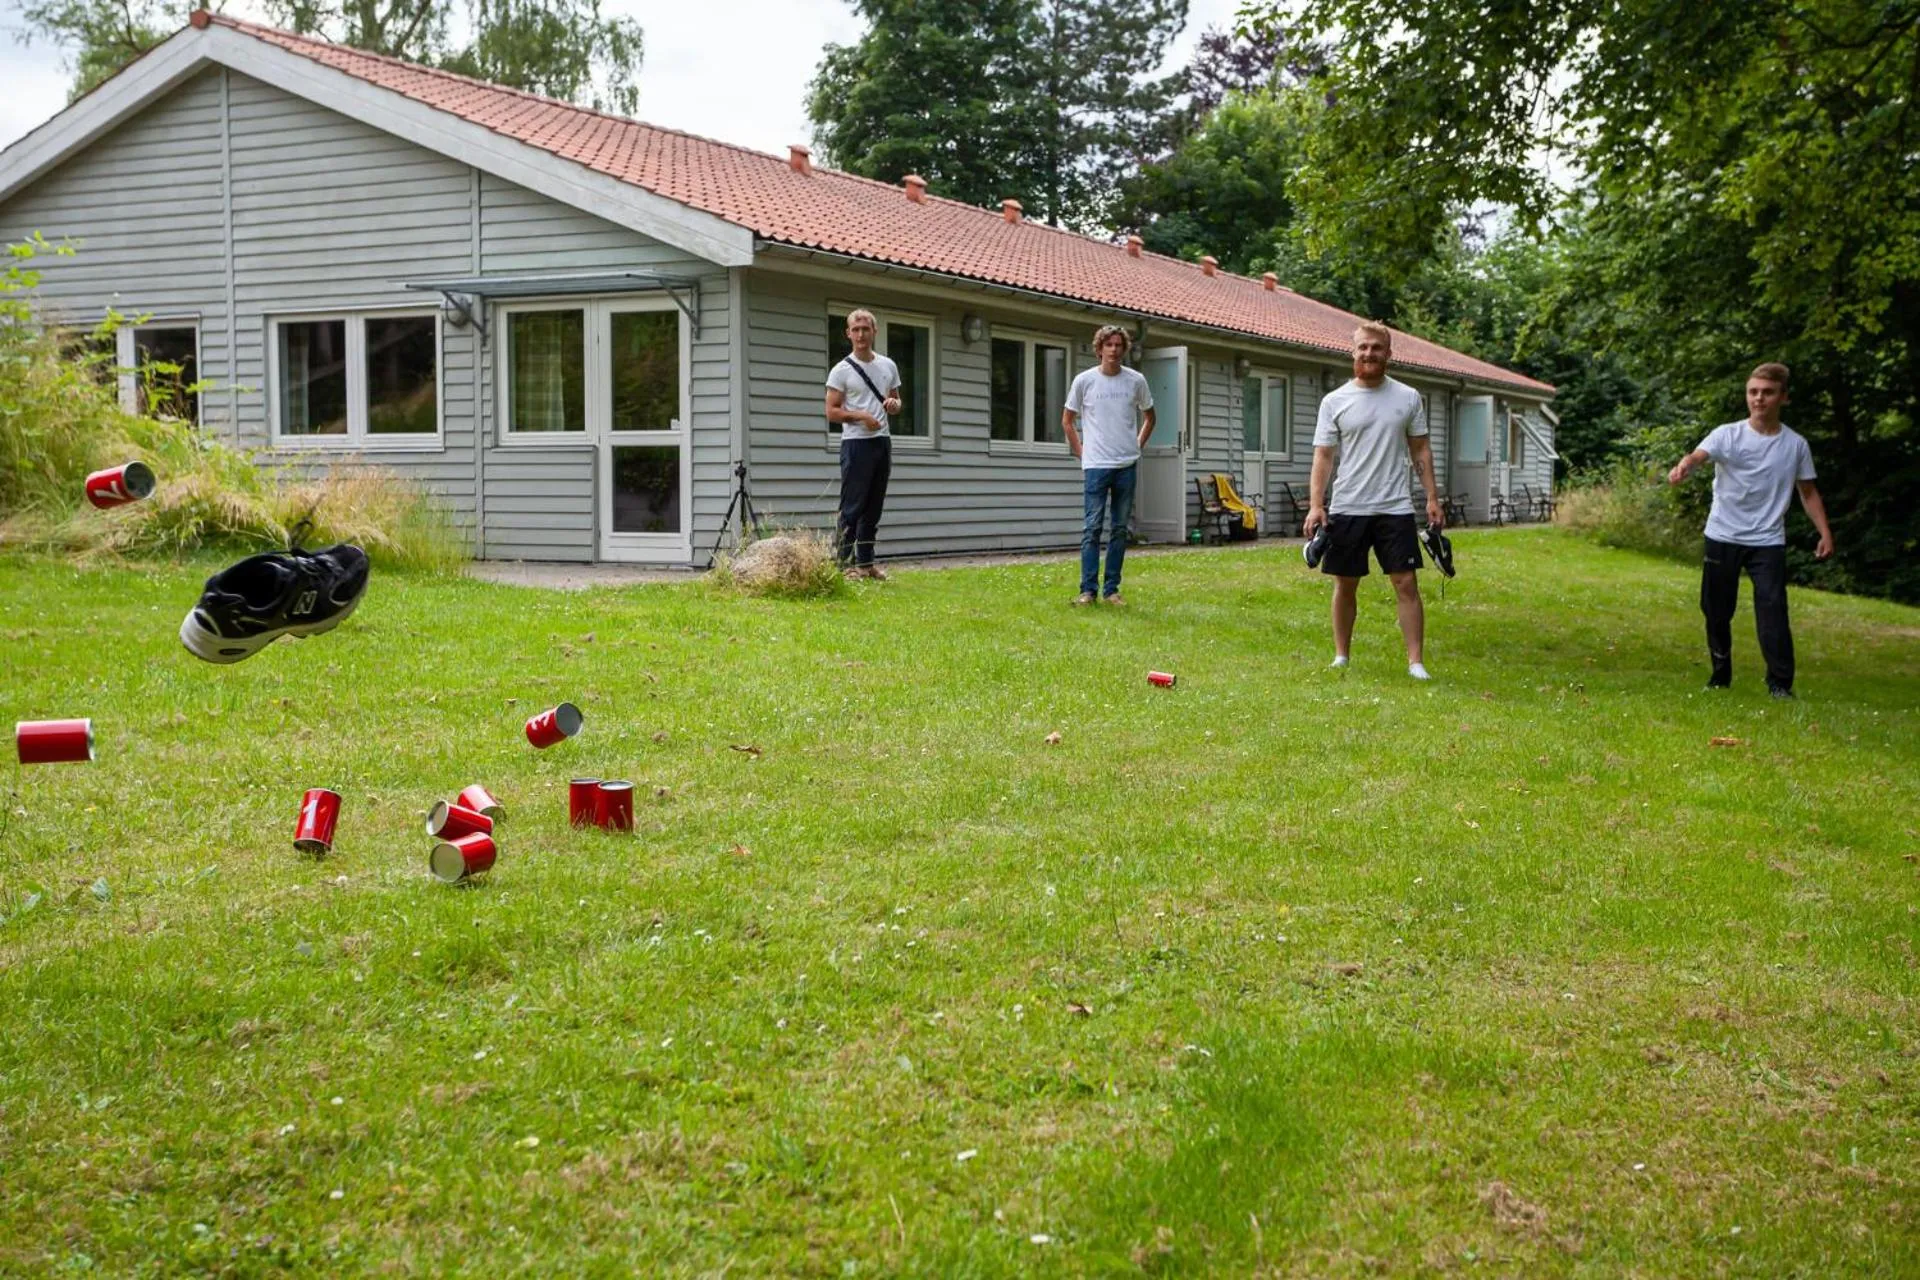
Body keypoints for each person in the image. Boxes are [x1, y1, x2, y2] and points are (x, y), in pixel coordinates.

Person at [1667, 362, 1834, 698]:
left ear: (1783, 398)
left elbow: (1809, 492)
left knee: (1773, 609)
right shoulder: (1727, 434)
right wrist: (1685, 464)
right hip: (1722, 535)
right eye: (1753, 392)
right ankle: (1720, 673)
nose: (1759, 399)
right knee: (1715, 611)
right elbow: (1699, 455)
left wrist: (1825, 533)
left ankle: (1780, 684)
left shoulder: (1795, 445)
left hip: (1767, 540)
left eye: (1768, 392)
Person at [1302, 321, 1445, 678]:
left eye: (1376, 348)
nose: (1369, 353)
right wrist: (1317, 504)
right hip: (1349, 505)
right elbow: (1323, 455)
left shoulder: (1408, 398)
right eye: (1363, 347)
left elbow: (1420, 448)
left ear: (1388, 354)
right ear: (1353, 352)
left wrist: (1432, 496)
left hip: (1394, 506)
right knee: (1345, 583)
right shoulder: (1334, 401)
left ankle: (1416, 662)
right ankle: (1341, 656)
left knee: (1407, 583)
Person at [1063, 324, 1155, 605]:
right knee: (1091, 528)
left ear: (1124, 349)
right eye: (1109, 345)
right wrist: (1082, 452)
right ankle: (1087, 591)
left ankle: (1111, 590)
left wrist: (1136, 446)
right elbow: (1067, 420)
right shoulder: (1084, 381)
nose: (1114, 350)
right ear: (1100, 348)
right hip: (1096, 467)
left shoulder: (1136, 380)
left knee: (1118, 529)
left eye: (1118, 345)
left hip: (1126, 465)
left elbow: (1150, 417)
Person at [823, 309, 902, 579]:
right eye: (855, 329)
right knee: (853, 506)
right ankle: (843, 566)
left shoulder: (888, 366)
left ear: (874, 332)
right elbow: (831, 412)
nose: (860, 334)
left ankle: (866, 564)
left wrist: (893, 405)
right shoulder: (841, 370)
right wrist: (861, 417)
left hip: (882, 442)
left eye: (865, 329)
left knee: (873, 506)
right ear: (848, 333)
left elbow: (895, 400)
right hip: (856, 444)